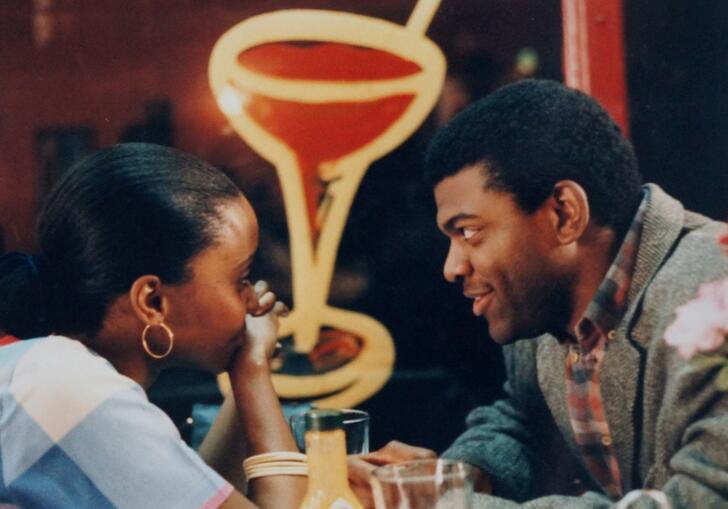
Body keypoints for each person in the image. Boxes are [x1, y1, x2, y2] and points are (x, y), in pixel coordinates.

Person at [349, 79, 728, 508]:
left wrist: (443, 507)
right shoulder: (543, 302)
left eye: (470, 232)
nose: (452, 267)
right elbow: (525, 418)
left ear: (565, 214)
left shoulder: (716, 298)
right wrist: (451, 479)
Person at [0, 143, 306, 508]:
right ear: (152, 302)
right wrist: (254, 370)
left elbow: (191, 498)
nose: (254, 300)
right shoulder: (69, 386)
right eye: (241, 278)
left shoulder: (55, 373)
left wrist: (245, 377)